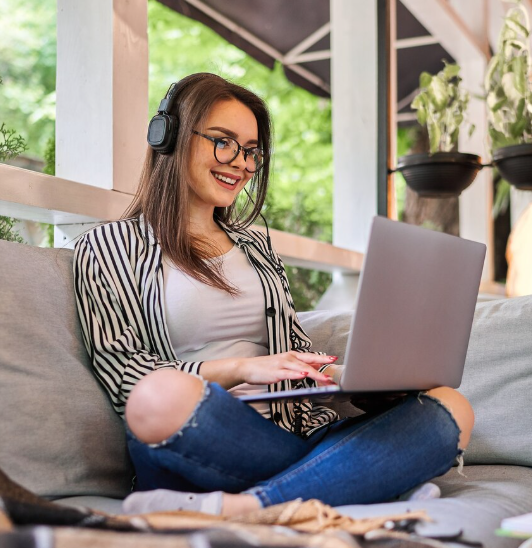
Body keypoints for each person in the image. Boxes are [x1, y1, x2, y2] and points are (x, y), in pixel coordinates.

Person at [73, 73, 474, 517]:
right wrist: (242, 367)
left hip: (290, 434)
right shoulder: (107, 246)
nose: (241, 164)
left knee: (451, 407)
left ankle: (248, 506)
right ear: (168, 137)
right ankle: (365, 480)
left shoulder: (255, 247)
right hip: (203, 432)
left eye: (251, 151)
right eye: (224, 142)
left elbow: (293, 353)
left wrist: (347, 379)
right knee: (159, 396)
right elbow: (125, 376)